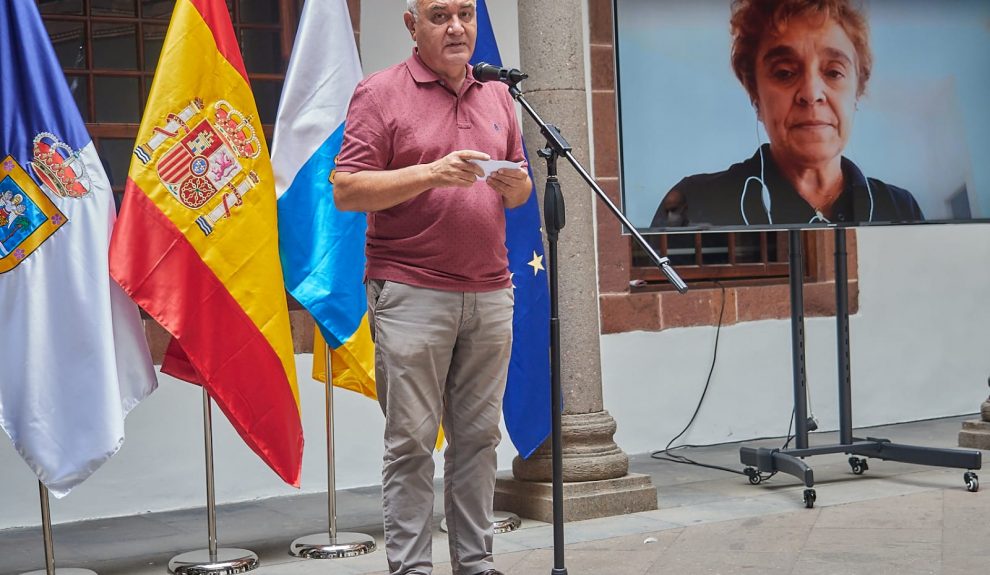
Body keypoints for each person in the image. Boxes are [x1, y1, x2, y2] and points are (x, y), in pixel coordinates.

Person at [332, 1, 531, 574]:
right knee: (413, 444)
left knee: (478, 440)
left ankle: (475, 563)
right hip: (412, 291)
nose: (457, 27)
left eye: (465, 14)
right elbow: (347, 189)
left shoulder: (497, 93)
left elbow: (515, 192)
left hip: (491, 290)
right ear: (411, 24)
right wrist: (433, 172)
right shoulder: (379, 93)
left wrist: (515, 185)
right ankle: (413, 568)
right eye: (440, 14)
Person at [652, 0, 923, 228]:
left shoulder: (901, 209)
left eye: (833, 72)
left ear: (857, 91)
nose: (811, 92)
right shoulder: (695, 204)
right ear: (755, 95)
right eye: (784, 72)